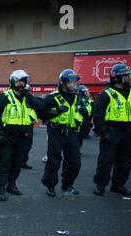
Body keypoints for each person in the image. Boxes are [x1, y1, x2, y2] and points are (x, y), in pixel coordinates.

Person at [92, 63, 131, 196]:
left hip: (129, 132)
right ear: (117, 78)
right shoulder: (106, 94)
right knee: (106, 160)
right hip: (112, 131)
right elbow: (98, 115)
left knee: (125, 161)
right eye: (126, 76)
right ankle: (101, 184)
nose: (129, 79)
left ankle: (118, 185)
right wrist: (103, 132)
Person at [0, 70, 43, 201]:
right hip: (7, 136)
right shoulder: (4, 97)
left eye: (23, 81)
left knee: (17, 162)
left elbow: (40, 107)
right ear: (12, 82)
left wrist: (30, 96)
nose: (21, 84)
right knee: (4, 162)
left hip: (23, 137)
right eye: (19, 81)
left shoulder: (27, 97)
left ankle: (12, 184)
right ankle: (1, 187)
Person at [41, 69, 88, 197]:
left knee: (74, 161)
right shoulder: (52, 97)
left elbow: (86, 109)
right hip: (56, 130)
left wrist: (85, 111)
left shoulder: (78, 97)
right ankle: (50, 185)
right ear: (63, 83)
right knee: (54, 160)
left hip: (72, 131)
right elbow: (42, 113)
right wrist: (56, 111)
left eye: (75, 82)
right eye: (71, 83)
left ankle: (67, 185)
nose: (74, 85)